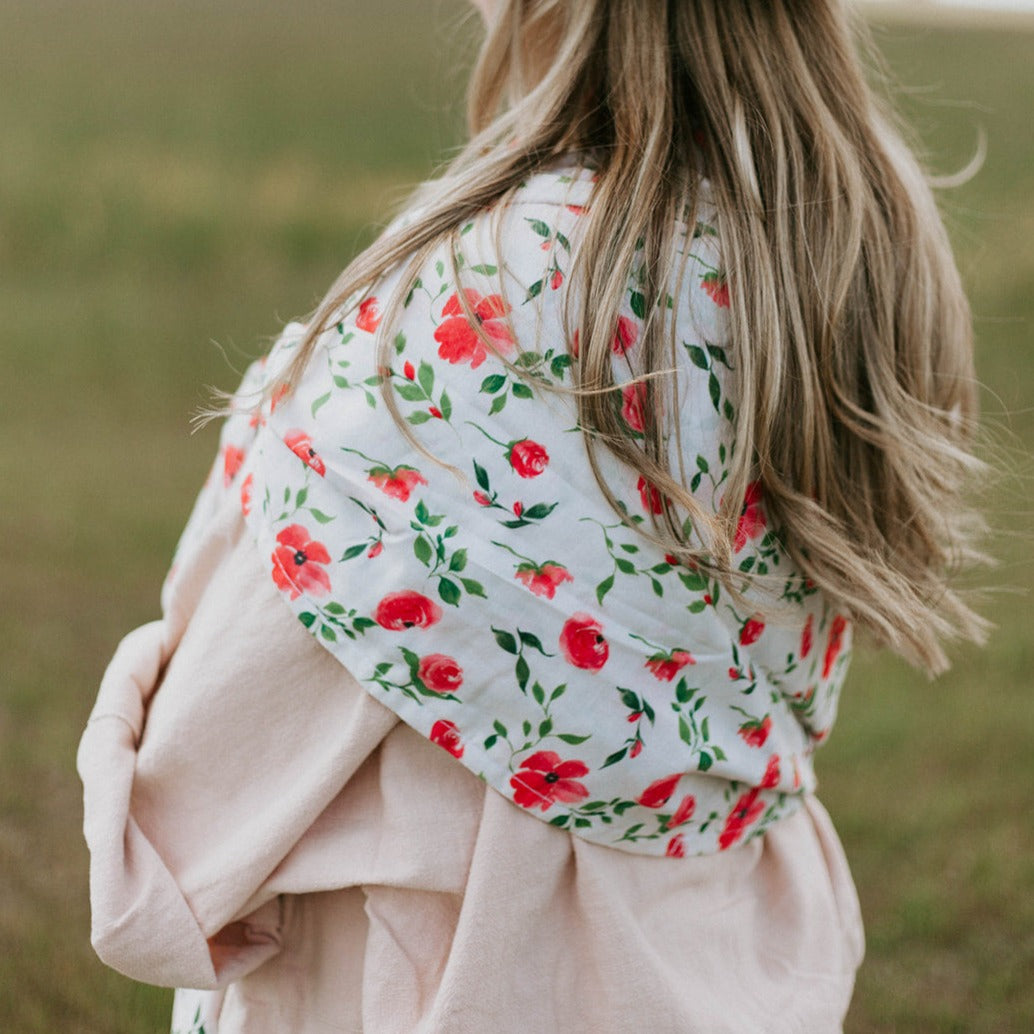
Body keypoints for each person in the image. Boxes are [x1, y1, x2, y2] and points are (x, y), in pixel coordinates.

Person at [78, 1, 988, 1031]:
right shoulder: (845, 238)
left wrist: (135, 801)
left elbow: (206, 774)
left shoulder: (489, 285)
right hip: (709, 969)